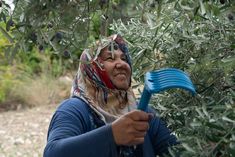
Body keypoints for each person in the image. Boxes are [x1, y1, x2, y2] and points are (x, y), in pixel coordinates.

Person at [43, 34, 178, 157]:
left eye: (124, 58)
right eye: (110, 58)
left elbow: (177, 150)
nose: (122, 64)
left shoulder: (143, 113)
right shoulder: (75, 109)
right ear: (91, 68)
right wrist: (111, 135)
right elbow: (53, 152)